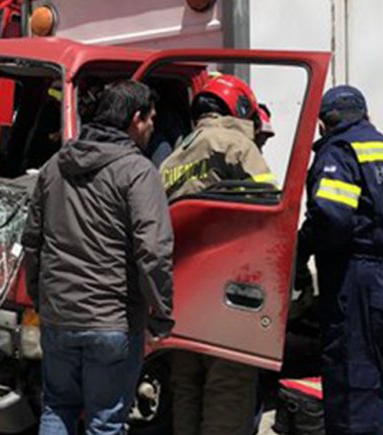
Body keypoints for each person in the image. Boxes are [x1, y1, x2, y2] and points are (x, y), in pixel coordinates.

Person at [22, 80, 175, 435]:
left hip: (59, 316)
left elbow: (32, 240)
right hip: (112, 322)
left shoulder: (54, 166)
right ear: (136, 119)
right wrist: (163, 312)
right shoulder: (138, 172)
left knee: (57, 408)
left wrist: (40, 298)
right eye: (151, 119)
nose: (153, 128)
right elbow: (153, 251)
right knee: (106, 422)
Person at [296, 86, 383, 434]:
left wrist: (301, 250)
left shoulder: (340, 151)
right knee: (371, 382)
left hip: (358, 281)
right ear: (366, 116)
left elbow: (332, 218)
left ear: (324, 124)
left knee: (352, 386)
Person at [159, 73, 273, 435]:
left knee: (187, 382)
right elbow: (270, 210)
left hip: (185, 289)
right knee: (229, 382)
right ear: (239, 108)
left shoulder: (174, 156)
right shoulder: (235, 145)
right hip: (232, 287)